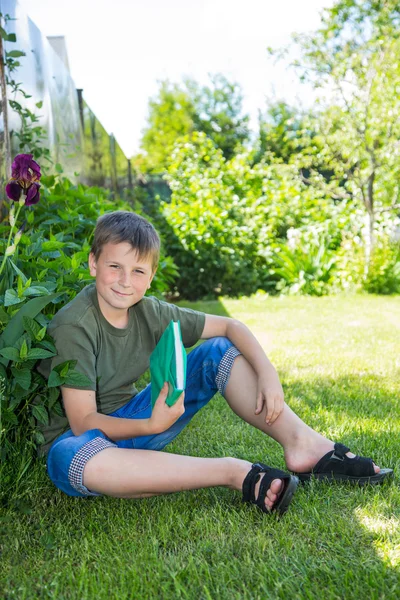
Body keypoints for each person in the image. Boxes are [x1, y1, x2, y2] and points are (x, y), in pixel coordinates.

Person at [37, 211, 393, 515]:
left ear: (152, 275)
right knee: (71, 456)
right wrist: (150, 425)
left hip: (134, 416)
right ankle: (233, 472)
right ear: (93, 262)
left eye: (139, 271)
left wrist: (268, 373)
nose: (126, 282)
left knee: (218, 349)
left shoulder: (150, 311)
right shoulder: (75, 325)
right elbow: (83, 422)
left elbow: (230, 326)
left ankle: (305, 446)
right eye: (115, 266)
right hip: (80, 441)